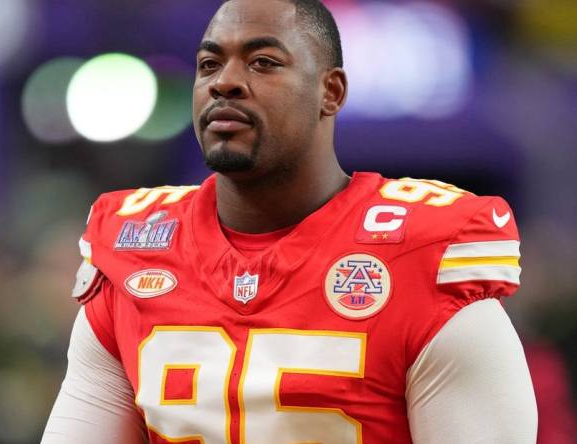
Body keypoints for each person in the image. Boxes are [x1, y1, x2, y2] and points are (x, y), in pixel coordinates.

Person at [41, 0, 538, 442]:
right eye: (209, 63)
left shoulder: (424, 256)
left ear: (331, 92)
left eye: (263, 62)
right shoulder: (134, 252)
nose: (225, 81)